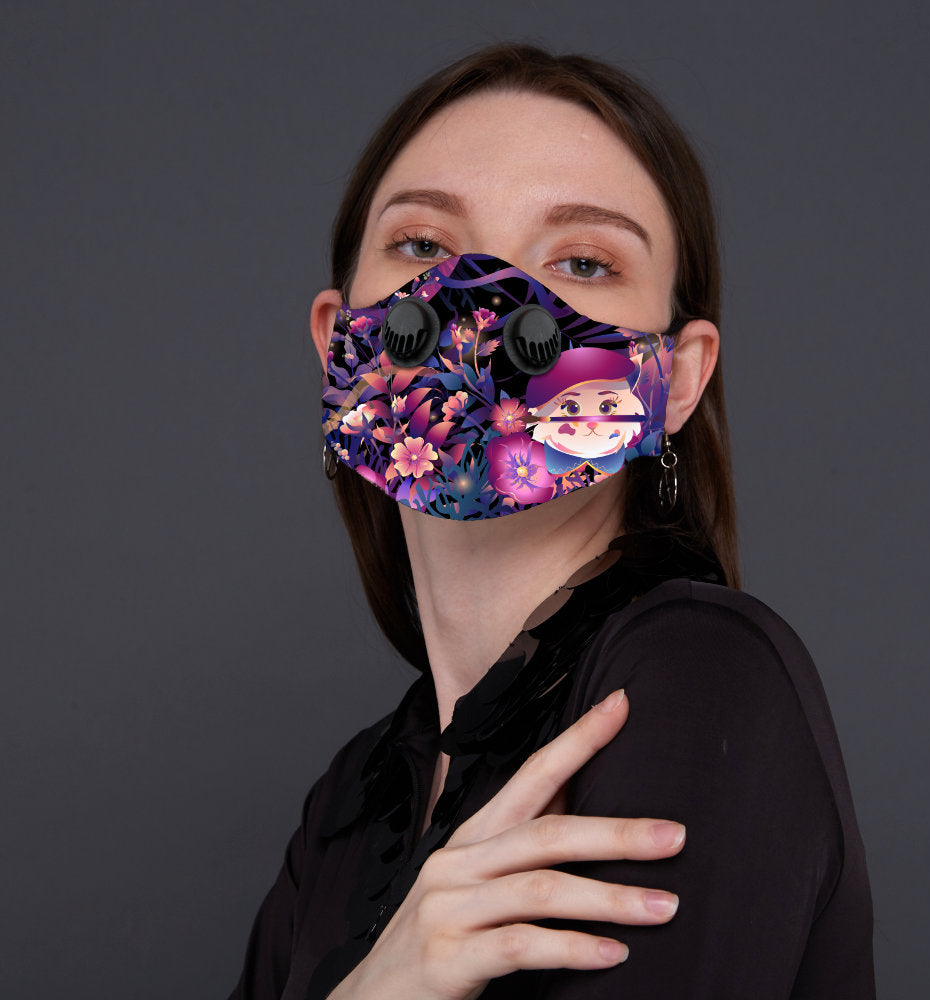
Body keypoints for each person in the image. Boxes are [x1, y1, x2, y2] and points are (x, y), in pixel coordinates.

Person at [229, 44, 875, 999]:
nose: (486, 304)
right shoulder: (350, 806)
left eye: (582, 261)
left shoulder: (700, 680)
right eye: (423, 247)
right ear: (339, 342)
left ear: (677, 379)